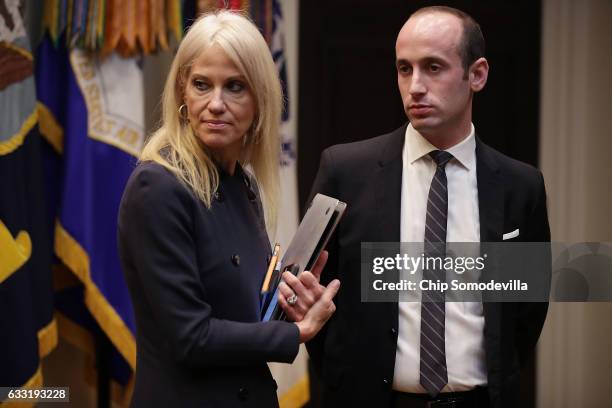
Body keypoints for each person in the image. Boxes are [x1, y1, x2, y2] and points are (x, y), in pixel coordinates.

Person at [306, 6, 550, 408]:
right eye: (405, 69)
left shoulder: (521, 186)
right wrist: (343, 377)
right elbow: (315, 291)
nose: (415, 85)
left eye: (433, 67)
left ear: (478, 74)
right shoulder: (344, 171)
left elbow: (526, 313)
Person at [117, 11, 340, 407]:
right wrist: (296, 333)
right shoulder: (158, 186)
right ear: (183, 92)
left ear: (260, 100)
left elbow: (241, 314)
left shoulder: (244, 183)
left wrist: (286, 305)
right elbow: (191, 337)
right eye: (202, 84)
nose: (215, 104)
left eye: (235, 86)